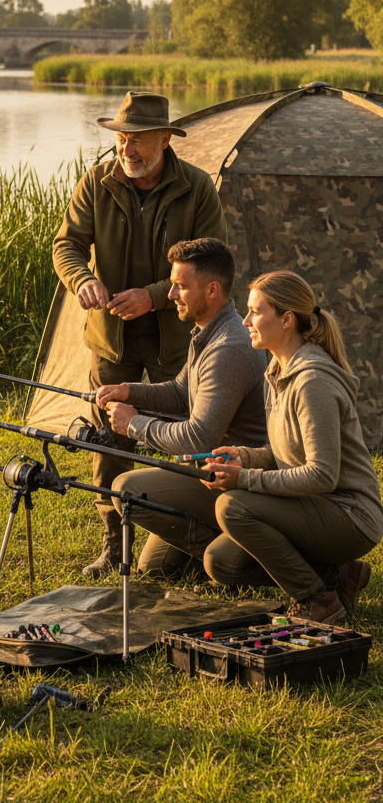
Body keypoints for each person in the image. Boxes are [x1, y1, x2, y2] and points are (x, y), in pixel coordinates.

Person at [112, 270, 383, 623]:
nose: (245, 320)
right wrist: (247, 456)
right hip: (309, 503)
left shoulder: (311, 381)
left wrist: (244, 478)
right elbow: (288, 450)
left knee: (232, 506)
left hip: (347, 515)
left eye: (256, 312)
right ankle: (335, 573)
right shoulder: (278, 369)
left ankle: (318, 596)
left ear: (286, 320)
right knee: (221, 562)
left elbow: (322, 475)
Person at [53, 91, 226, 578]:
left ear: (166, 139)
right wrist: (82, 279)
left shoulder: (197, 188)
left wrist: (153, 295)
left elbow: (212, 258)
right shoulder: (98, 181)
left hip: (179, 336)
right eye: (122, 138)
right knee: (110, 442)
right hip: (111, 338)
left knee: (193, 435)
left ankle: (196, 535)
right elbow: (66, 244)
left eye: (139, 140)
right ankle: (114, 544)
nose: (127, 149)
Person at [95, 237, 268, 579]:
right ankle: (224, 546)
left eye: (180, 287)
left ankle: (249, 555)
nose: (171, 295)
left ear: (212, 290)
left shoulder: (227, 349)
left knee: (125, 488)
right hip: (213, 471)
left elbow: (198, 437)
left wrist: (134, 425)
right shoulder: (209, 330)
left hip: (239, 480)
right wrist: (131, 391)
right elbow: (179, 392)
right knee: (154, 567)